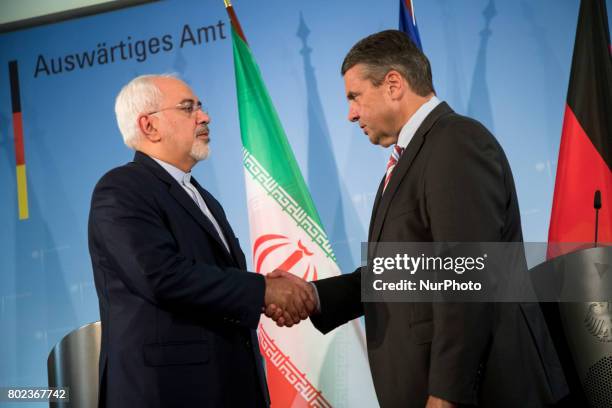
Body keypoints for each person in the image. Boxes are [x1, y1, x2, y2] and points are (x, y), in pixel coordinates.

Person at [268, 30, 568, 407]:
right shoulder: (408, 160)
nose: (351, 114)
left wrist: (446, 393)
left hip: (481, 391)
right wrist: (315, 296)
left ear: (393, 84)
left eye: (354, 97)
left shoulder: (455, 142)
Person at [88, 74, 314, 408]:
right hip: (168, 393)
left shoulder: (203, 198)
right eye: (187, 108)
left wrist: (262, 289)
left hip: (230, 387)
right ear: (149, 126)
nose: (204, 117)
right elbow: (161, 276)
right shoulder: (121, 189)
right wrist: (262, 290)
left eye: (201, 107)